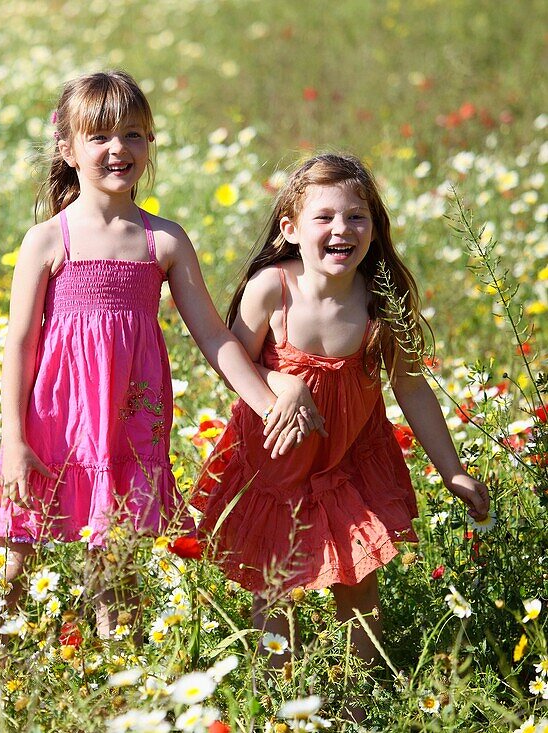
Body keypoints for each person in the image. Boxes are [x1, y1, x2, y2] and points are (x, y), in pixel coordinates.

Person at [0, 70, 321, 639]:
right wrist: (13, 438)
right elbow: (19, 344)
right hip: (50, 425)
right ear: (67, 148)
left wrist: (266, 401)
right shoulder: (46, 240)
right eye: (100, 136)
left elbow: (213, 335)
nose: (118, 149)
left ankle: (120, 683)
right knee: (10, 562)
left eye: (134, 135)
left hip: (129, 422)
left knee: (116, 572)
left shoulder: (164, 241)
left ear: (150, 142)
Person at [190, 153, 490, 676]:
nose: (341, 229)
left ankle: (358, 692)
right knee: (275, 576)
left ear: (374, 230)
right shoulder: (273, 290)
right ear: (290, 229)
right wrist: (281, 380)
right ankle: (283, 694)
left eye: (356, 216)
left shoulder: (378, 300)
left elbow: (411, 387)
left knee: (358, 576)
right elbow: (232, 357)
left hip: (349, 460)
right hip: (278, 461)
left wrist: (453, 469)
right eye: (323, 217)